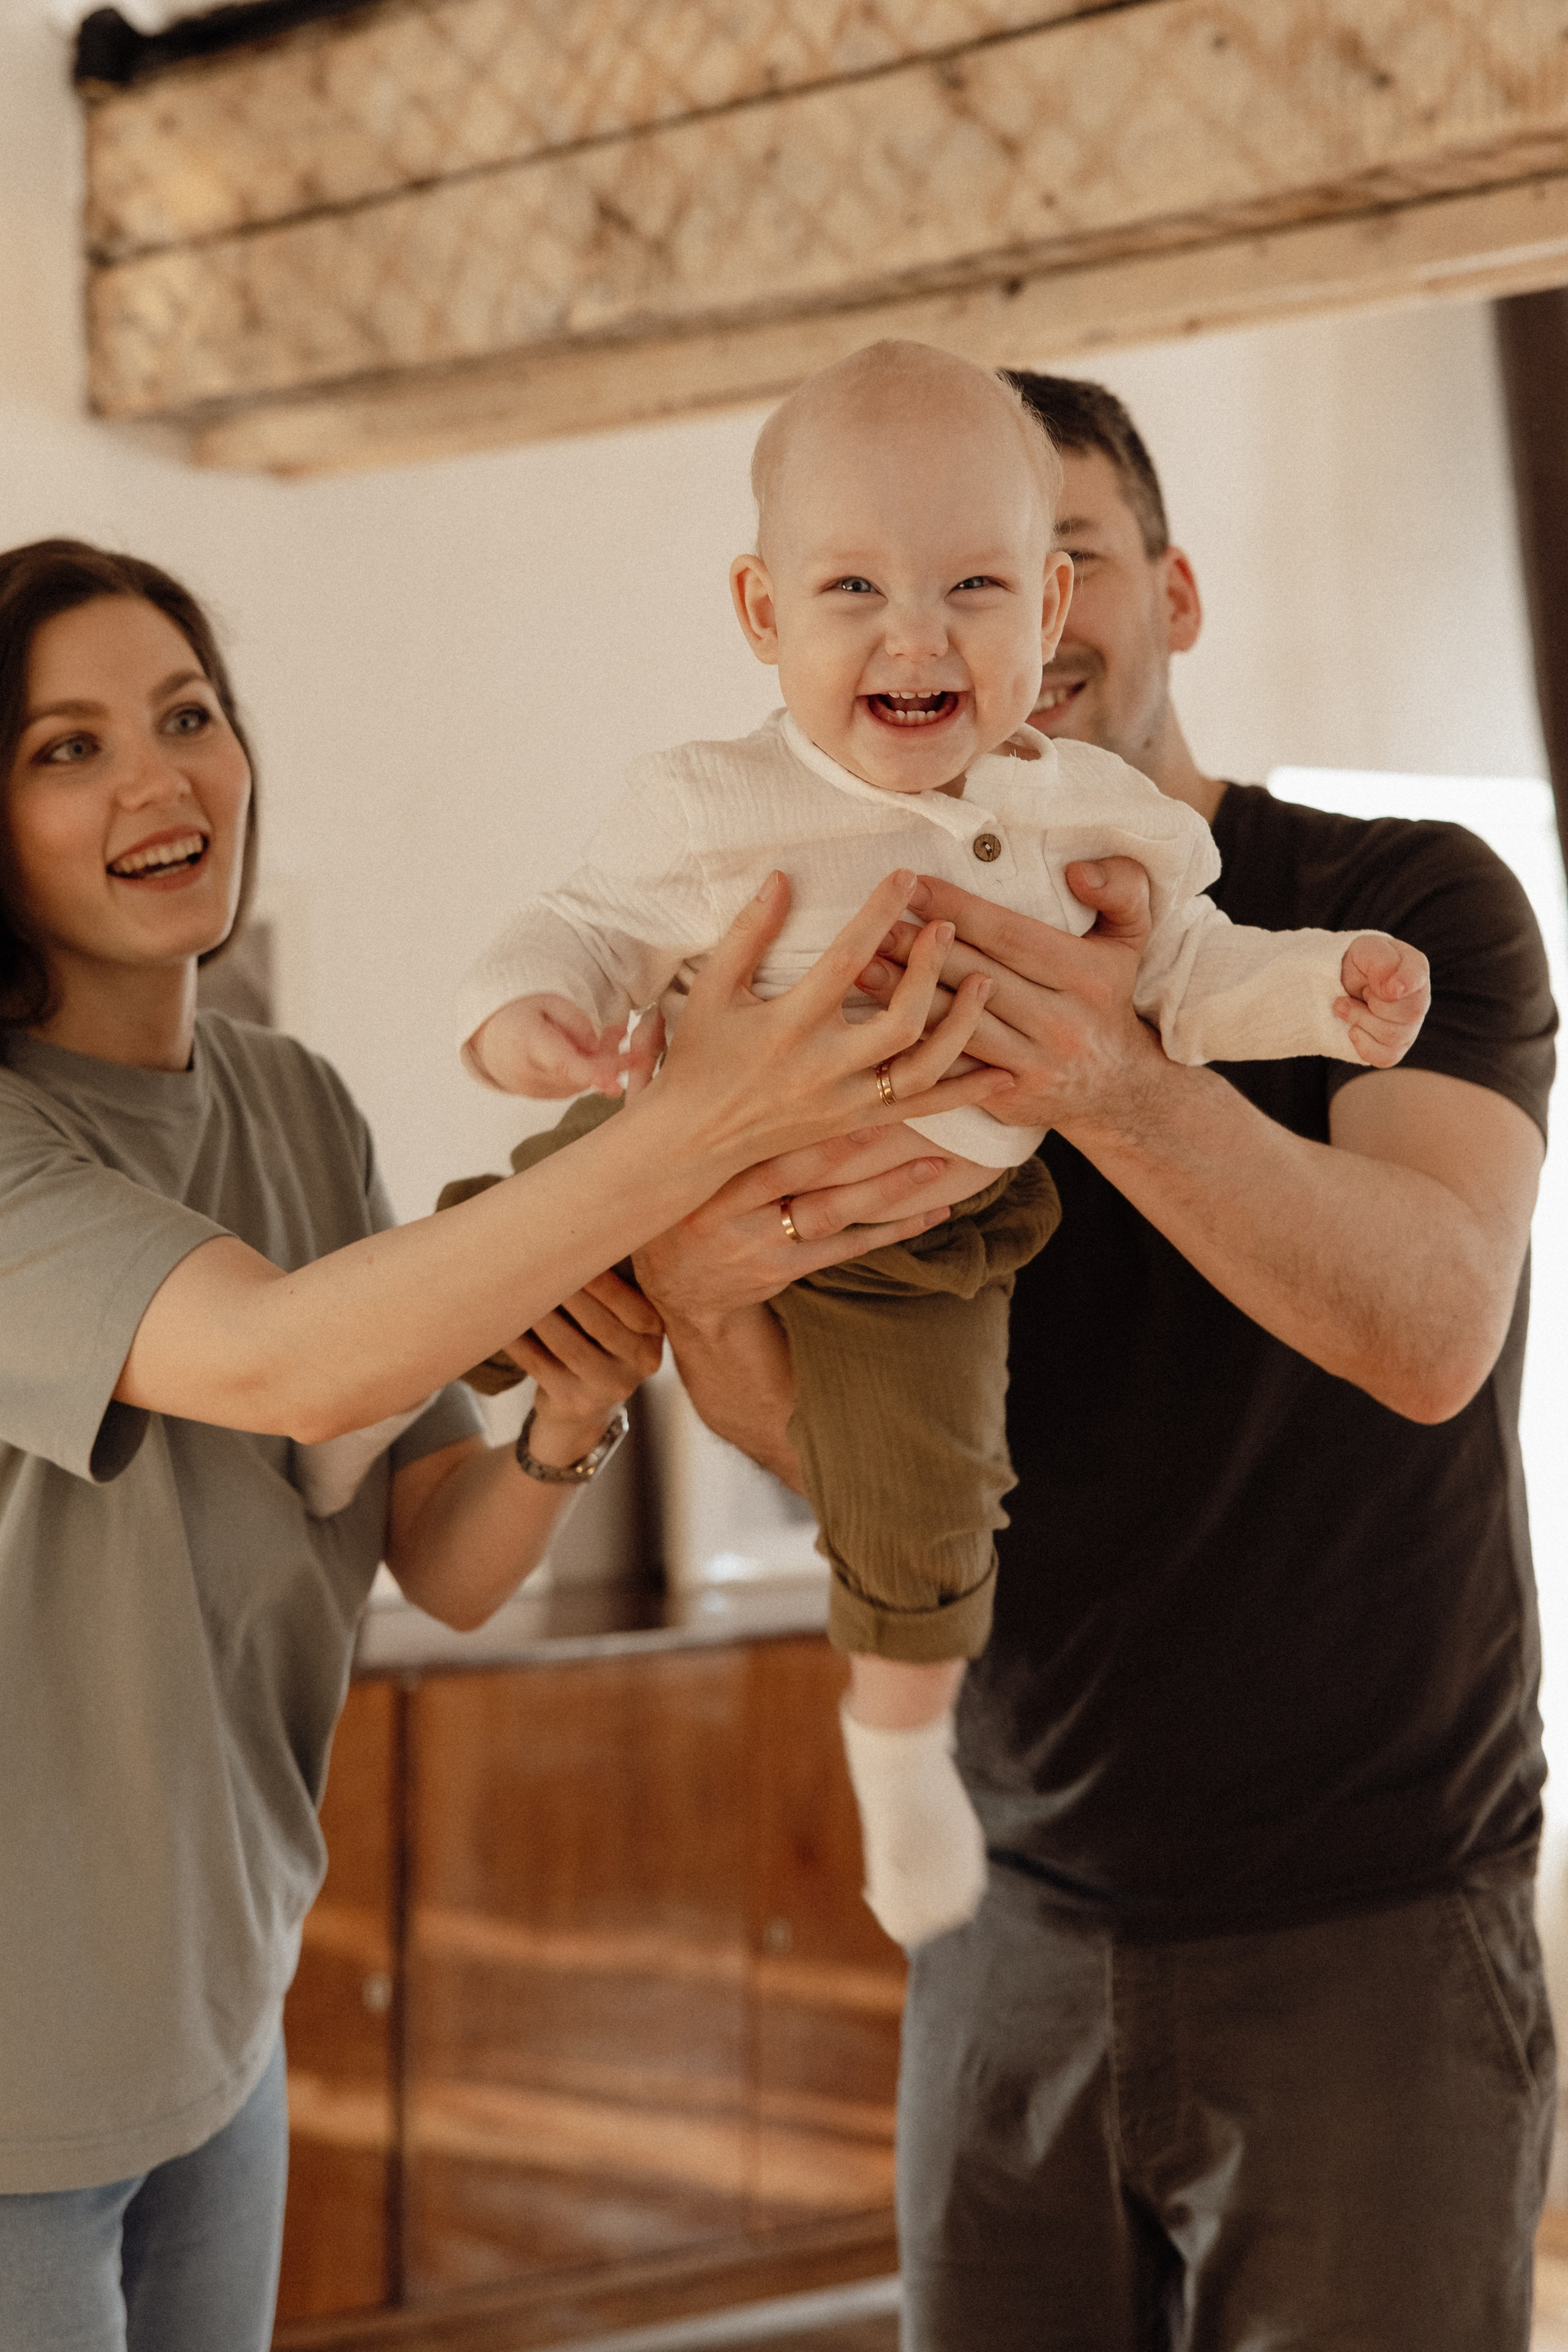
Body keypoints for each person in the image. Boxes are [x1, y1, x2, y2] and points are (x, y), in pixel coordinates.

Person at [626, 375, 1559, 2348]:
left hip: (1374, 1919)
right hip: (1009, 1914)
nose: (963, 626)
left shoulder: (1398, 904)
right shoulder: (852, 956)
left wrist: (1108, 1076)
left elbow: (1431, 1333)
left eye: (1032, 565)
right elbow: (836, 1443)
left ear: (1155, 594)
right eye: (894, 580)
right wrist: (694, 1287)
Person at [0, 540, 990, 2351]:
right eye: (67, 747)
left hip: (217, 2029)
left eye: (187, 716)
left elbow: (440, 1560)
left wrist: (569, 1417)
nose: (157, 780)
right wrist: (701, 1120)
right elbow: (291, 1364)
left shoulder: (292, 1102)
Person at [451, 340, 1430, 1956]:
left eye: (974, 586)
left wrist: (1323, 989)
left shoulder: (1086, 818)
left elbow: (1189, 974)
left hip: (919, 1236)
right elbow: (579, 927)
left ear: (1046, 610)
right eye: (854, 589)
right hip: (664, 1161)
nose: (916, 634)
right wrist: (526, 1023)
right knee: (474, 1262)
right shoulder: (710, 804)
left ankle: (897, 1752)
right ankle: (346, 1421)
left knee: (930, 1507)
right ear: (762, 614)